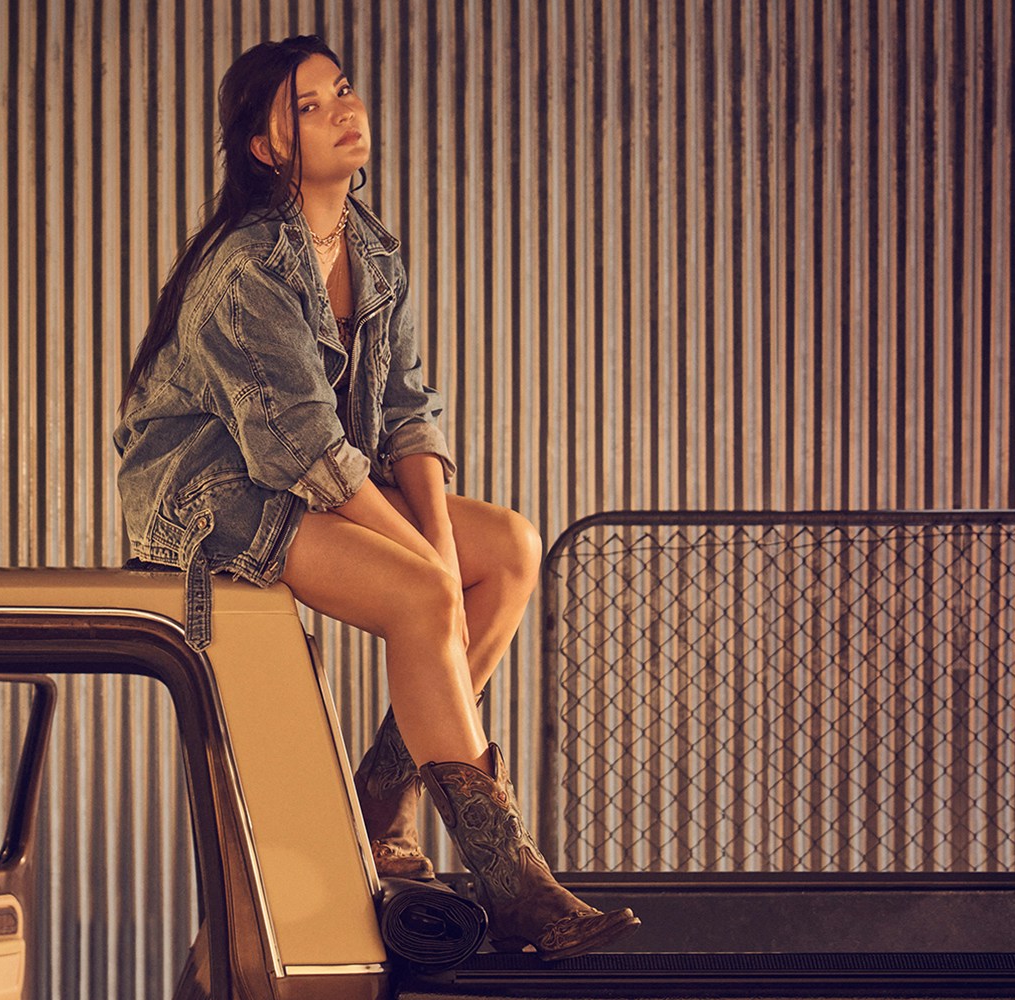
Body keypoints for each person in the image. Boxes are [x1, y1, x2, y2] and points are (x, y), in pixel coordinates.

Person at [114, 35, 639, 961]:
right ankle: (512, 883)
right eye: (309, 106)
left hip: (307, 476)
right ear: (269, 147)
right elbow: (306, 448)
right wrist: (427, 564)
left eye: (342, 89)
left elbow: (406, 412)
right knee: (426, 591)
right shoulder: (247, 271)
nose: (343, 111)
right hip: (211, 494)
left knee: (509, 549)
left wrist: (438, 542)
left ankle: (382, 804)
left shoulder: (373, 249)